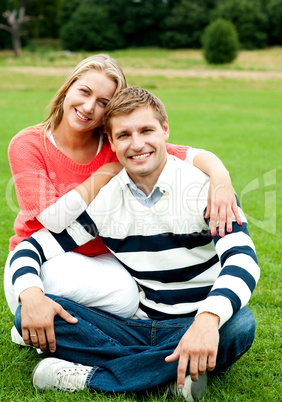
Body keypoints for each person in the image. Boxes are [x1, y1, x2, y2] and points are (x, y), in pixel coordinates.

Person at [11, 87, 259, 401]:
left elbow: (243, 261)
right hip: (139, 324)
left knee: (239, 325)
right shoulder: (105, 201)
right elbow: (31, 247)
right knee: (28, 315)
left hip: (198, 320)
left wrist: (208, 320)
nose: (137, 143)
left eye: (146, 130)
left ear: (165, 129)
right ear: (111, 143)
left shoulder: (206, 190)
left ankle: (88, 376)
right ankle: (172, 372)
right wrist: (30, 292)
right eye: (124, 134)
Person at [4, 54, 241, 348]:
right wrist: (106, 171)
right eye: (84, 92)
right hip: (45, 261)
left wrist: (220, 177)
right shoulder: (29, 145)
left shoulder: (117, 142)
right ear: (67, 89)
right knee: (94, 291)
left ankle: (80, 344)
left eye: (104, 102)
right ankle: (37, 319)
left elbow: (180, 151)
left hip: (107, 262)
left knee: (130, 299)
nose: (89, 107)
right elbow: (53, 221)